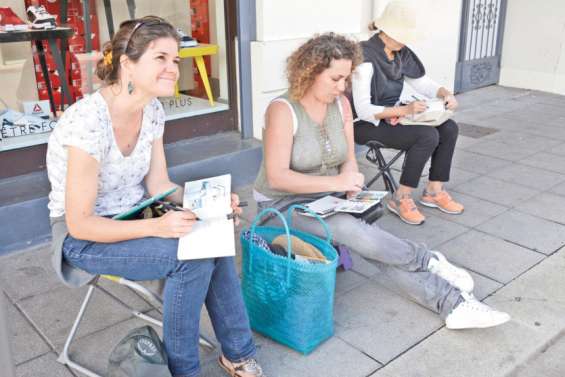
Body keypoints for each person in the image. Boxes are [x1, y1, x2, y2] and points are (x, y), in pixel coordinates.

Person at [46, 16, 264, 377]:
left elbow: (160, 185)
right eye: (160, 58)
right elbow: (80, 223)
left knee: (215, 237)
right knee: (191, 260)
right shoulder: (86, 123)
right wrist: (159, 228)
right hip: (83, 238)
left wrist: (209, 205)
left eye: (175, 60)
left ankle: (238, 354)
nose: (173, 69)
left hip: (139, 213)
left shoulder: (152, 111)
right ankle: (185, 370)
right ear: (127, 63)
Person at [253, 32, 510, 330]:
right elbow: (277, 177)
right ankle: (427, 262)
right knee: (353, 231)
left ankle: (453, 306)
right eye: (335, 79)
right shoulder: (282, 110)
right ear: (310, 72)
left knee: (369, 241)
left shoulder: (341, 106)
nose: (342, 87)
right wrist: (338, 183)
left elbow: (347, 157)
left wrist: (351, 179)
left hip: (324, 198)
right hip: (280, 204)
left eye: (346, 79)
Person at [351, 1, 464, 225]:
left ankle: (434, 190)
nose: (406, 41)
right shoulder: (364, 57)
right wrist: (405, 110)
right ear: (387, 32)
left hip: (394, 115)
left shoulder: (400, 51)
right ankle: (400, 197)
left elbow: (423, 83)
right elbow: (363, 111)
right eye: (403, 35)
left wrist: (444, 93)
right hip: (365, 123)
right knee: (427, 136)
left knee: (449, 128)